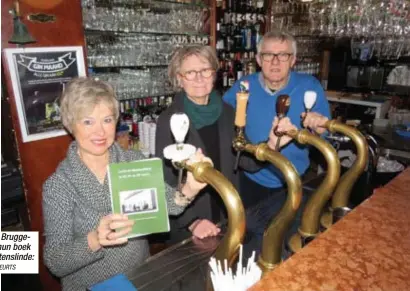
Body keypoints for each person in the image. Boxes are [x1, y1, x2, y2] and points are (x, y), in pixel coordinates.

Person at [42, 77, 211, 291]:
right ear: (70, 124)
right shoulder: (59, 185)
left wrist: (190, 187)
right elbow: (56, 261)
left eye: (107, 120)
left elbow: (170, 204)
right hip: (91, 286)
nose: (100, 132)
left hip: (139, 278)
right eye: (87, 121)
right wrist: (95, 239)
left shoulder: (134, 161)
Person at [223, 31, 331, 254]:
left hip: (292, 180)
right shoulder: (244, 86)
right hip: (250, 179)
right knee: (249, 245)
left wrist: (319, 127)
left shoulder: (309, 86)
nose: (274, 61)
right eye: (268, 55)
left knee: (286, 244)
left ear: (293, 60)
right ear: (259, 59)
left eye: (282, 55)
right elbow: (220, 117)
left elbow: (323, 136)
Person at [155, 45, 259, 243]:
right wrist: (192, 222)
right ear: (179, 79)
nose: (199, 78)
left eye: (205, 70)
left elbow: (247, 162)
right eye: (190, 73)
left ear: (214, 74)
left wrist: (273, 142)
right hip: (192, 224)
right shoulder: (169, 120)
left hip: (228, 215)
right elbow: (166, 180)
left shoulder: (228, 112)